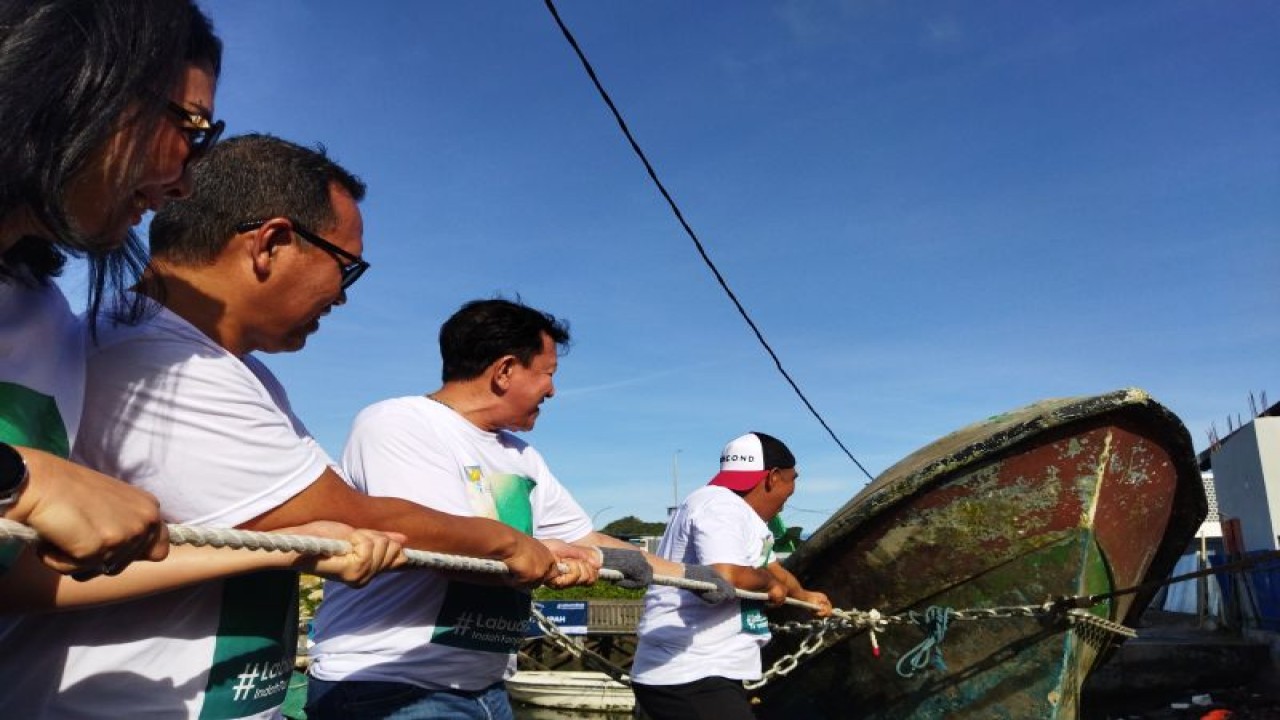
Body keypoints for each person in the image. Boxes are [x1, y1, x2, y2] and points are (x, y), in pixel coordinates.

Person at [0, 135, 592, 719]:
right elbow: (350, 517)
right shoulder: (157, 355)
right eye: (346, 267)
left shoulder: (233, 369)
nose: (341, 296)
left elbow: (327, 518)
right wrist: (509, 542)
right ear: (274, 242)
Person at [305, 297, 736, 720]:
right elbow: (434, 544)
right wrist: (547, 554)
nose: (552, 389)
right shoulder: (399, 422)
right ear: (505, 370)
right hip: (390, 684)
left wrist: (698, 579)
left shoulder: (521, 456)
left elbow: (585, 540)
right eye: (547, 373)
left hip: (484, 685)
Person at [0, 0, 221, 578]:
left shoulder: (45, 316)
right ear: (78, 79)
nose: (188, 183)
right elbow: (31, 492)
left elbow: (18, 577)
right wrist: (19, 480)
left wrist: (290, 548)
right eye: (193, 129)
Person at [630, 432, 832, 720]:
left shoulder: (746, 518)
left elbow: (771, 568)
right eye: (793, 479)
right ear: (772, 477)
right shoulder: (720, 505)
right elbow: (726, 574)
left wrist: (806, 597)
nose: (792, 490)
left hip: (706, 672)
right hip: (688, 672)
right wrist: (769, 584)